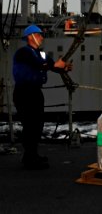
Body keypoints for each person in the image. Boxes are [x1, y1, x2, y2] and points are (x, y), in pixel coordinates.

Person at [13, 25, 73, 169]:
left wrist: (64, 67)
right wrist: (55, 65)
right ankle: (30, 158)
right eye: (39, 34)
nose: (42, 37)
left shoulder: (41, 54)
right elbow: (40, 65)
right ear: (30, 36)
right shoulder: (23, 52)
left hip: (35, 92)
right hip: (24, 92)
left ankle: (31, 155)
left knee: (38, 124)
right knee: (30, 124)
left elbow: (52, 66)